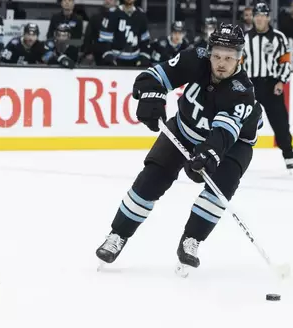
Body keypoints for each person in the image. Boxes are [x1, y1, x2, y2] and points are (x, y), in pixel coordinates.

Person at [95, 23, 263, 274]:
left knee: (219, 190)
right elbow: (155, 76)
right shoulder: (195, 59)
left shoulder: (242, 92)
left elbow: (223, 134)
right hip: (184, 129)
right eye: (217, 56)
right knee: (151, 178)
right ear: (209, 53)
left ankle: (191, 239)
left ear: (240, 59)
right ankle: (117, 235)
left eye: (229, 58)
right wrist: (150, 95)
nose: (221, 64)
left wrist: (208, 155)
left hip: (233, 146)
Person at [243, 2, 293, 170]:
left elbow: (285, 61)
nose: (259, 19)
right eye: (256, 15)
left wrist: (281, 81)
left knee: (280, 122)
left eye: (262, 16)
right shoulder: (245, 38)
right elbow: (238, 63)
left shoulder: (278, 37)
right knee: (242, 120)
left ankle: (288, 154)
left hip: (272, 84)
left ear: (268, 18)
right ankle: (235, 155)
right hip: (250, 85)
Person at [99, 0, 151, 66]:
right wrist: (108, 56)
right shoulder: (113, 13)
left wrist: (143, 57)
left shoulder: (141, 15)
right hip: (116, 58)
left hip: (135, 58)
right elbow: (104, 39)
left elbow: (145, 39)